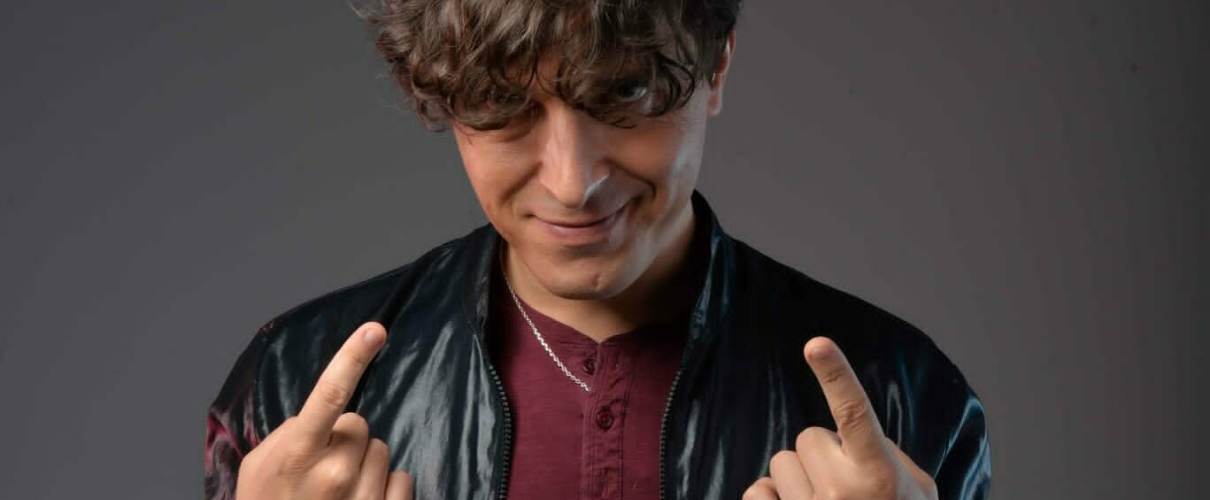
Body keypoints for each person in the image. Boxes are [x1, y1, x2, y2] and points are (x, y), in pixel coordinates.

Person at [204, 0, 992, 499]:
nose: (572, 182)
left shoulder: (902, 398)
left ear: (716, 64)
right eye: (501, 102)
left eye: (623, 92)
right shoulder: (292, 388)